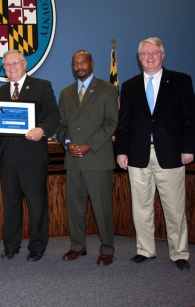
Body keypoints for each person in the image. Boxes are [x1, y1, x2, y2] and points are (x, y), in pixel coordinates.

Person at [116, 37, 195, 271]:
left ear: (163, 55)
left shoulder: (181, 81)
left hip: (171, 154)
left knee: (174, 208)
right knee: (140, 207)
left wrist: (188, 148)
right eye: (145, 54)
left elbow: (191, 118)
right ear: (139, 58)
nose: (150, 57)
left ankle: (179, 253)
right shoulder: (130, 86)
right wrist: (121, 151)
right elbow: (124, 124)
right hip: (137, 155)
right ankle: (145, 249)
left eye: (154, 53)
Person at [0, 50, 59, 262]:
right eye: (7, 65)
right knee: (10, 204)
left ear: (24, 64)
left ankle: (37, 247)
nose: (11, 68)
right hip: (8, 158)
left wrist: (42, 130)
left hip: (33, 157)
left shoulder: (42, 86)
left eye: (15, 63)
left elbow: (54, 116)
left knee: (37, 204)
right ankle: (11, 245)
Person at [56, 50, 118, 265]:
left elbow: (111, 123)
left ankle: (107, 248)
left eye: (83, 62)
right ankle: (77, 246)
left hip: (97, 159)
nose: (79, 66)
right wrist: (67, 143)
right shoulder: (65, 93)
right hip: (73, 160)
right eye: (75, 63)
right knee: (75, 207)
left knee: (102, 208)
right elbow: (61, 126)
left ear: (92, 64)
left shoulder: (107, 90)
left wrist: (88, 146)